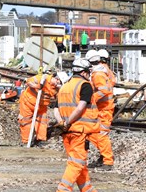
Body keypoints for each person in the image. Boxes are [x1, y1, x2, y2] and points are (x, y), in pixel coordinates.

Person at [54, 58, 100, 192]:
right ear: (84, 72)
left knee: (79, 163)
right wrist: (68, 122)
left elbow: (56, 109)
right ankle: (63, 189)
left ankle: (88, 189)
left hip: (66, 131)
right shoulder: (85, 85)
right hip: (79, 130)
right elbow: (80, 108)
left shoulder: (65, 86)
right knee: (76, 163)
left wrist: (62, 123)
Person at [87, 48, 116, 170]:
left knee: (102, 134)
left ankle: (108, 161)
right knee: (94, 133)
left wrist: (92, 99)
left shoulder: (98, 74)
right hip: (103, 108)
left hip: (104, 109)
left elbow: (103, 91)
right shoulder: (102, 71)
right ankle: (104, 156)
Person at [17, 71, 62, 146]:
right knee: (26, 121)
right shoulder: (43, 78)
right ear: (56, 78)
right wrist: (37, 86)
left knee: (42, 122)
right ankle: (26, 141)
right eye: (58, 82)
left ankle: (40, 140)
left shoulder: (56, 88)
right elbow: (28, 82)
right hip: (28, 103)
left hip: (41, 106)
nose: (57, 84)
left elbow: (55, 97)